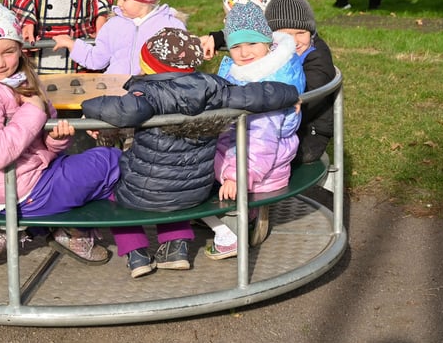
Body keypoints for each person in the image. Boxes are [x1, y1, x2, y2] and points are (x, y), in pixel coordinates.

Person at [81, 28, 301, 278]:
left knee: (115, 191)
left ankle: (137, 253)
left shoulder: (149, 93)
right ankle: (176, 249)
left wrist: (89, 107)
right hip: (195, 190)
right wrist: (290, 93)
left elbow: (123, 110)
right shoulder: (214, 87)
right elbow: (258, 94)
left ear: (150, 65)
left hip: (145, 192)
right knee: (173, 186)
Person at [0, 3, 121, 266]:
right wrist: (33, 110)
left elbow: (43, 143)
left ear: (20, 49)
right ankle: (74, 233)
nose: (0, 63)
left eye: (9, 51)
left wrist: (56, 139)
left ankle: (17, 235)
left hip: (30, 181)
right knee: (112, 161)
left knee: (90, 170)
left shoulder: (22, 77)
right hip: (23, 191)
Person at [204, 3, 304, 260]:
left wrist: (237, 176)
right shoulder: (246, 73)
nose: (244, 52)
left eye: (252, 44)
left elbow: (261, 141)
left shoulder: (269, 87)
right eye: (236, 46)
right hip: (237, 151)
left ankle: (243, 219)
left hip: (258, 168)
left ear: (268, 44)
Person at [51, 0, 184, 75]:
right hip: (115, 91)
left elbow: (180, 66)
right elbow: (97, 59)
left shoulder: (171, 26)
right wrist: (72, 44)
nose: (118, 3)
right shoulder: (114, 25)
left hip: (151, 95)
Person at [265, 0, 337, 165]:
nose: (295, 41)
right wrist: (218, 38)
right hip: (277, 127)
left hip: (307, 134)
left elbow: (308, 96)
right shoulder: (272, 49)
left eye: (300, 33)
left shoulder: (317, 57)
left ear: (311, 33)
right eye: (286, 34)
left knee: (249, 154)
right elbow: (244, 38)